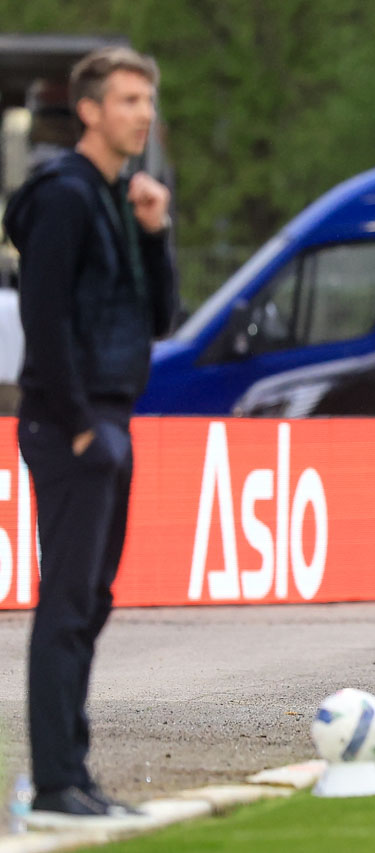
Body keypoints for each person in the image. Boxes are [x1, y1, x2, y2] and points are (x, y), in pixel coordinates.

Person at [3, 46, 175, 819]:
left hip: (111, 416)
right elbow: (42, 319)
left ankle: (70, 772)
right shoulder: (66, 195)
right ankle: (53, 781)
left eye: (148, 100)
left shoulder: (118, 197)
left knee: (92, 598)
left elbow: (160, 319)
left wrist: (153, 233)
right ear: (90, 110)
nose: (143, 113)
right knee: (69, 601)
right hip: (72, 422)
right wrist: (76, 426)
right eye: (129, 99)